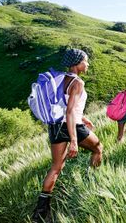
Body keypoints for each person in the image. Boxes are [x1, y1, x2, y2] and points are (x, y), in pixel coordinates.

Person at [32, 49, 103, 222]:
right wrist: (73, 140)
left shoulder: (61, 78)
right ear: (78, 63)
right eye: (86, 61)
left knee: (56, 167)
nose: (88, 64)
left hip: (55, 126)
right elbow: (70, 111)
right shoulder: (78, 83)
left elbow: (65, 105)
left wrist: (83, 118)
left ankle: (40, 213)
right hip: (71, 126)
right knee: (98, 148)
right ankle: (92, 181)